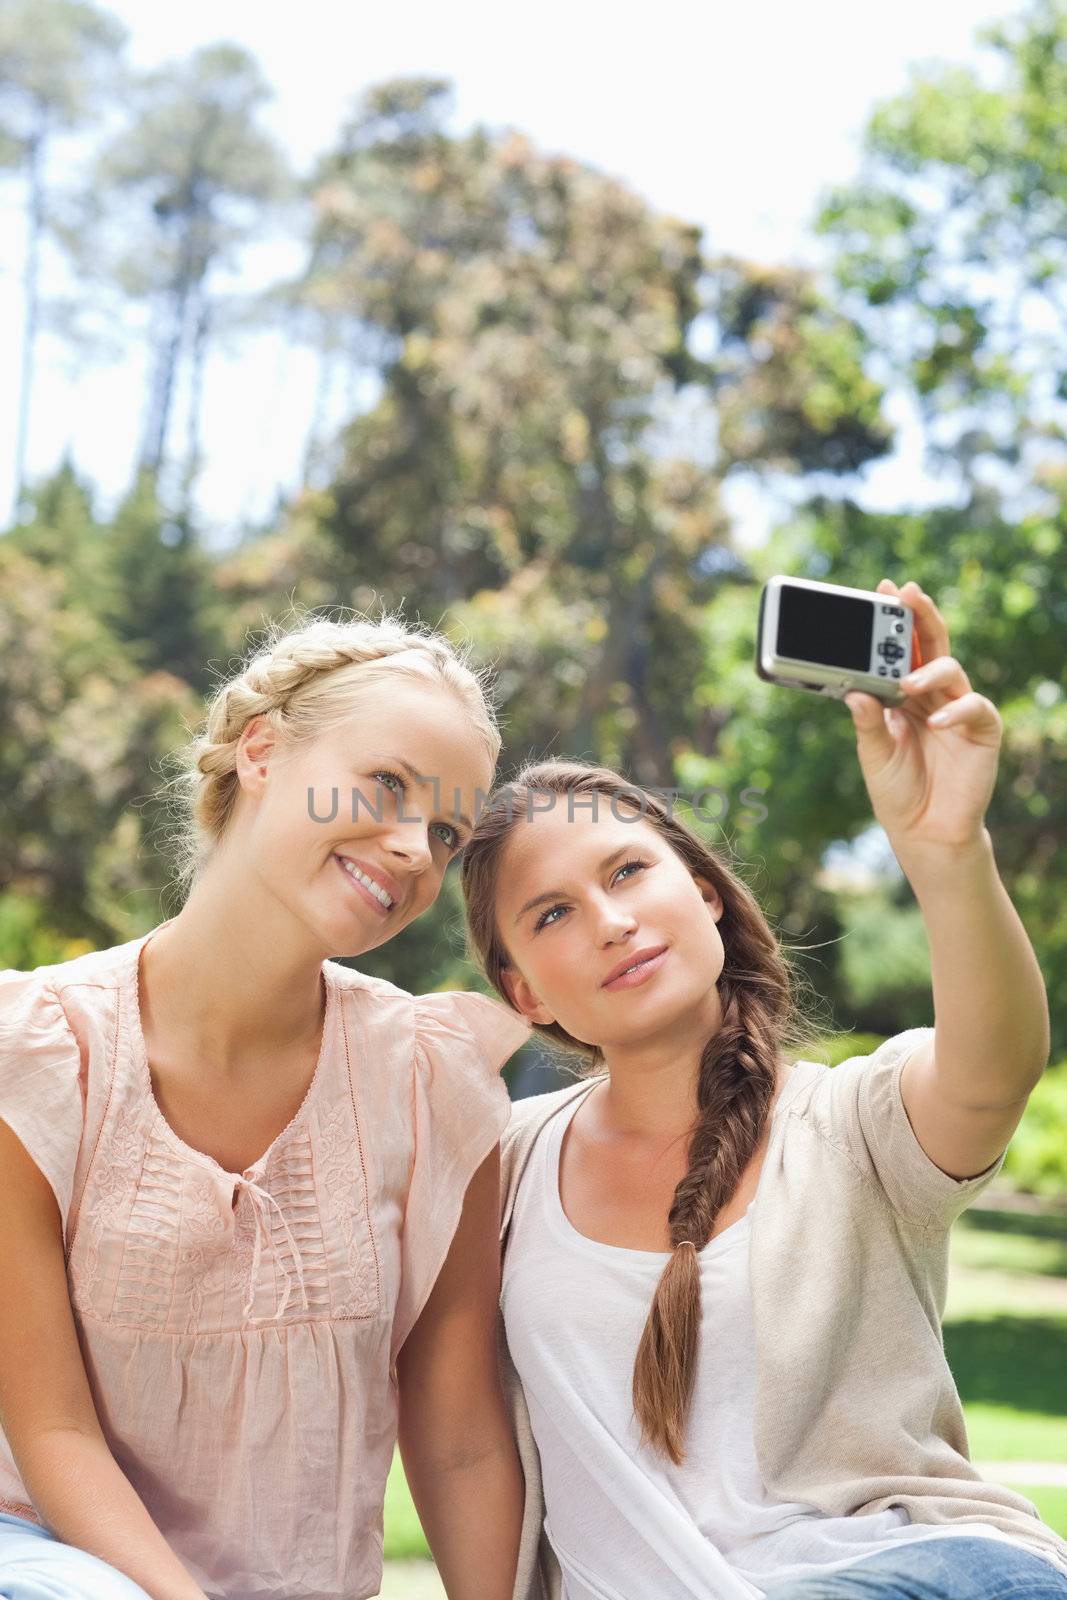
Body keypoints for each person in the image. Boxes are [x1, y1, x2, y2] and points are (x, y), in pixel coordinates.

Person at [459, 578, 1067, 1600]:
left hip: (916, 1569)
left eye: (625, 871)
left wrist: (946, 851)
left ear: (699, 891)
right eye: (551, 915)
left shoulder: (850, 1120)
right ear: (524, 990)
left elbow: (990, 1066)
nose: (607, 919)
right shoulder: (504, 1162)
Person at [0, 610, 533, 1600]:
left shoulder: (434, 1083)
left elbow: (456, 1438)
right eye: (387, 785)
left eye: (449, 830)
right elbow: (51, 1431)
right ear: (260, 751)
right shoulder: (35, 1053)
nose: (418, 847)